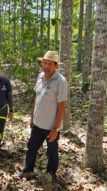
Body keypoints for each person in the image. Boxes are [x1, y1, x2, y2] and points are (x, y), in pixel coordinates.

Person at [19, 51, 67, 183]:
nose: (46, 66)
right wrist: (32, 116)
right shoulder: (40, 76)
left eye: (50, 64)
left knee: (52, 152)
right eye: (44, 63)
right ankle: (28, 170)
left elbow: (62, 105)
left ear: (56, 66)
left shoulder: (61, 81)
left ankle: (51, 174)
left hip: (51, 126)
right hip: (38, 123)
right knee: (31, 147)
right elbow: (37, 97)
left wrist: (56, 128)